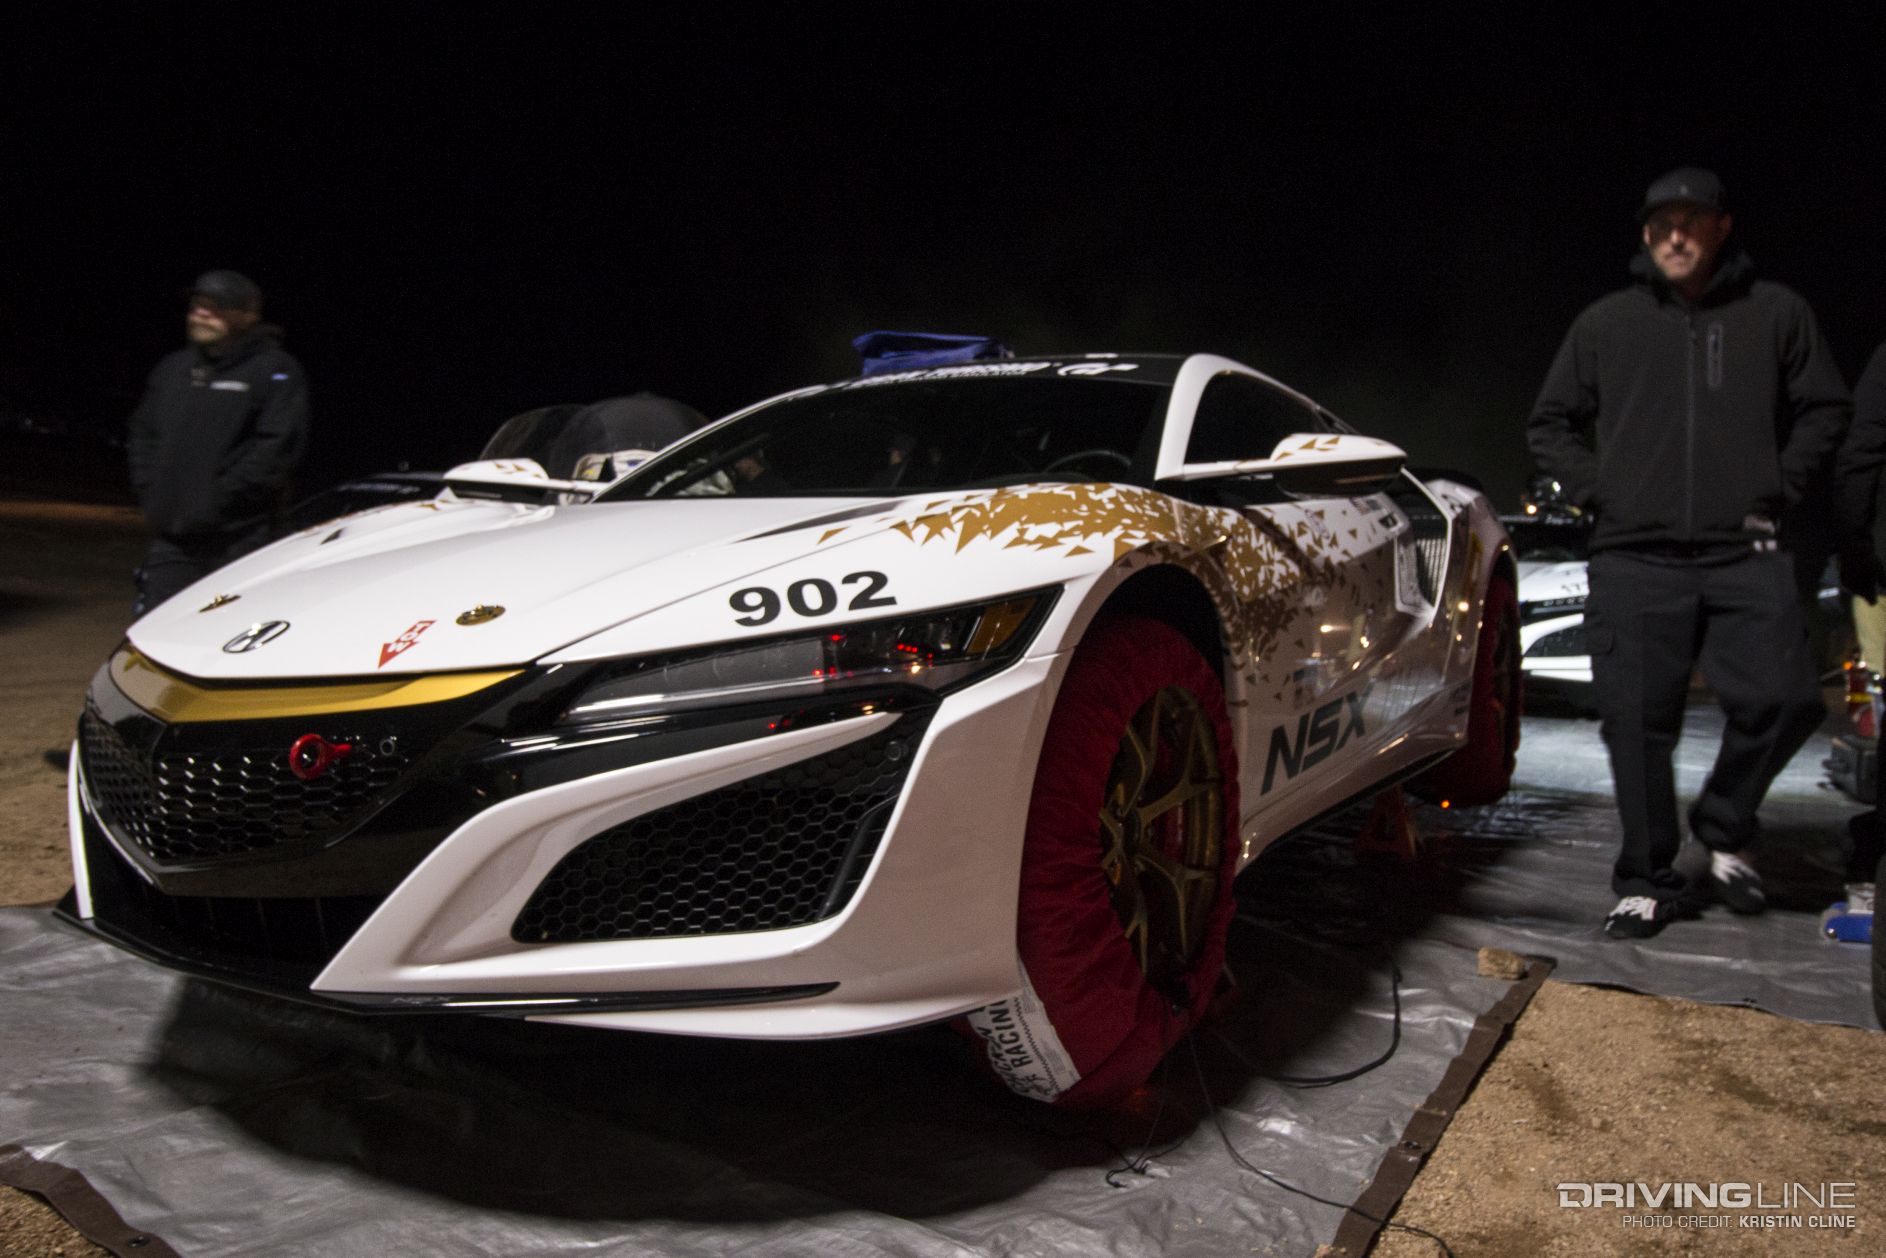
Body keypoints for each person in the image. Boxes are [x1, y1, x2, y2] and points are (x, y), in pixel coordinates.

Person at [1527, 167, 1852, 939]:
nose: (1678, 233)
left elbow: (1826, 408)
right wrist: (1603, 491)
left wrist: (1778, 483)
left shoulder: (1776, 313)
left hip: (1743, 550)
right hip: (1634, 555)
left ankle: (1724, 822)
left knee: (1788, 698)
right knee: (1637, 722)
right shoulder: (1606, 322)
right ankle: (1646, 879)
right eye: (1664, 222)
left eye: (1694, 221)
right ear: (1646, 235)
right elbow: (1550, 424)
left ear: (1721, 229)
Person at [126, 269, 310, 616]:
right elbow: (142, 435)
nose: (201, 312)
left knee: (224, 636)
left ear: (247, 315)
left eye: (216, 306)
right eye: (197, 304)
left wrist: (215, 501)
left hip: (240, 541)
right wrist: (152, 492)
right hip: (174, 538)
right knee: (155, 629)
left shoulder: (276, 371)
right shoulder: (173, 369)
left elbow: (275, 450)